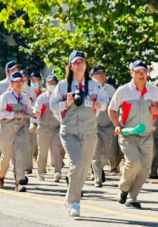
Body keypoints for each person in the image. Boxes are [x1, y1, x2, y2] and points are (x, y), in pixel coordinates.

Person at [50, 50, 109, 218]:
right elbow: (53, 105)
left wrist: (99, 104)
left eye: (81, 62)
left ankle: (70, 195)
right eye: (75, 62)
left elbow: (105, 102)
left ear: (86, 64)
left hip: (89, 131)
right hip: (70, 131)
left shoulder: (94, 85)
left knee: (84, 166)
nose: (79, 65)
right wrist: (66, 103)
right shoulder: (63, 85)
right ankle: (73, 201)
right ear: (70, 66)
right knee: (77, 163)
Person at [107, 60, 158, 209]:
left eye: (144, 72)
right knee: (134, 163)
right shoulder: (123, 91)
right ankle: (123, 188)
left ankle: (132, 197)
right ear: (132, 73)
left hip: (147, 135)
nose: (141, 75)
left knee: (145, 167)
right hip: (128, 134)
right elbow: (112, 109)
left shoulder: (154, 91)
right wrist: (117, 125)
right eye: (138, 72)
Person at [0, 71, 36, 192]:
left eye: (20, 81)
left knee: (19, 153)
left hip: (21, 128)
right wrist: (14, 114)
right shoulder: (5, 96)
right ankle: (0, 175)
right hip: (6, 129)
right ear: (11, 83)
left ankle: (19, 181)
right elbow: (0, 112)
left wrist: (34, 114)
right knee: (7, 156)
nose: (19, 84)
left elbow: (29, 110)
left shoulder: (25, 97)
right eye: (16, 81)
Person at [0, 61, 21, 178]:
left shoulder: (22, 84)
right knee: (0, 148)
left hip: (18, 121)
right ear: (7, 72)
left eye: (17, 69)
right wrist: (3, 102)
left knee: (18, 148)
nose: (16, 72)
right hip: (3, 120)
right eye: (13, 70)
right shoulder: (0, 85)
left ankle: (19, 177)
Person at [90, 65, 116, 187]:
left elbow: (117, 108)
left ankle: (99, 170)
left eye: (103, 73)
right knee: (96, 154)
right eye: (98, 73)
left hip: (107, 126)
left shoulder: (111, 90)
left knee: (106, 154)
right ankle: (98, 179)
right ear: (92, 76)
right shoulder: (88, 88)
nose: (101, 75)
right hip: (92, 126)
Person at [33, 74, 63, 182]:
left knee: (57, 149)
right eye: (50, 83)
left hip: (56, 127)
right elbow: (36, 111)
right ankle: (40, 172)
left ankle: (58, 171)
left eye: (54, 83)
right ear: (46, 84)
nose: (52, 85)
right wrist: (34, 119)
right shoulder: (42, 98)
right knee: (43, 151)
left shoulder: (60, 97)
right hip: (43, 128)